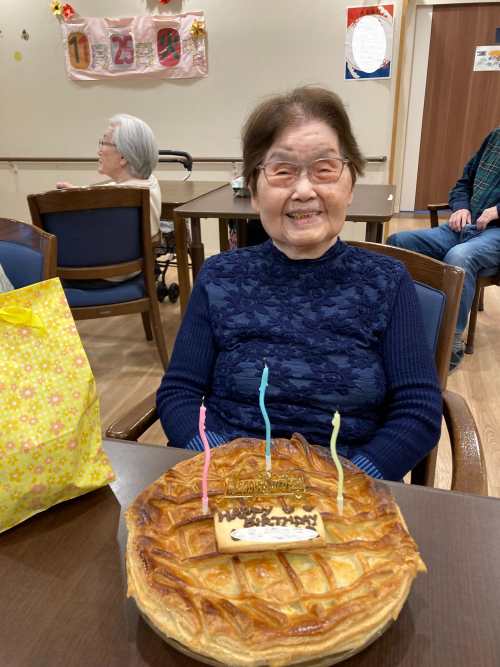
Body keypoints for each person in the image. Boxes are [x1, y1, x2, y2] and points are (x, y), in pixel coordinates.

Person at [157, 86, 442, 482]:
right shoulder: (219, 276)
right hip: (227, 483)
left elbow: (418, 410)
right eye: (282, 171)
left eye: (324, 169)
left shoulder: (388, 281)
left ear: (350, 185)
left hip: (346, 492)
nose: (304, 190)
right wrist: (222, 467)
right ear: (253, 191)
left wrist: (347, 482)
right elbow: (179, 393)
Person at [387, 128, 500, 373]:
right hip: (464, 226)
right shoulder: (494, 138)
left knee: (459, 257)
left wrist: (498, 210)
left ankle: (451, 342)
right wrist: (461, 207)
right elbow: (463, 184)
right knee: (397, 242)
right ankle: (404, 320)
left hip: (495, 233)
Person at [57, 114, 160, 287]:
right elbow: (107, 191)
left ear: (123, 157)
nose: (99, 151)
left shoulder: (116, 199)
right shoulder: (148, 184)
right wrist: (76, 191)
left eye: (104, 143)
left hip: (97, 276)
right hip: (132, 271)